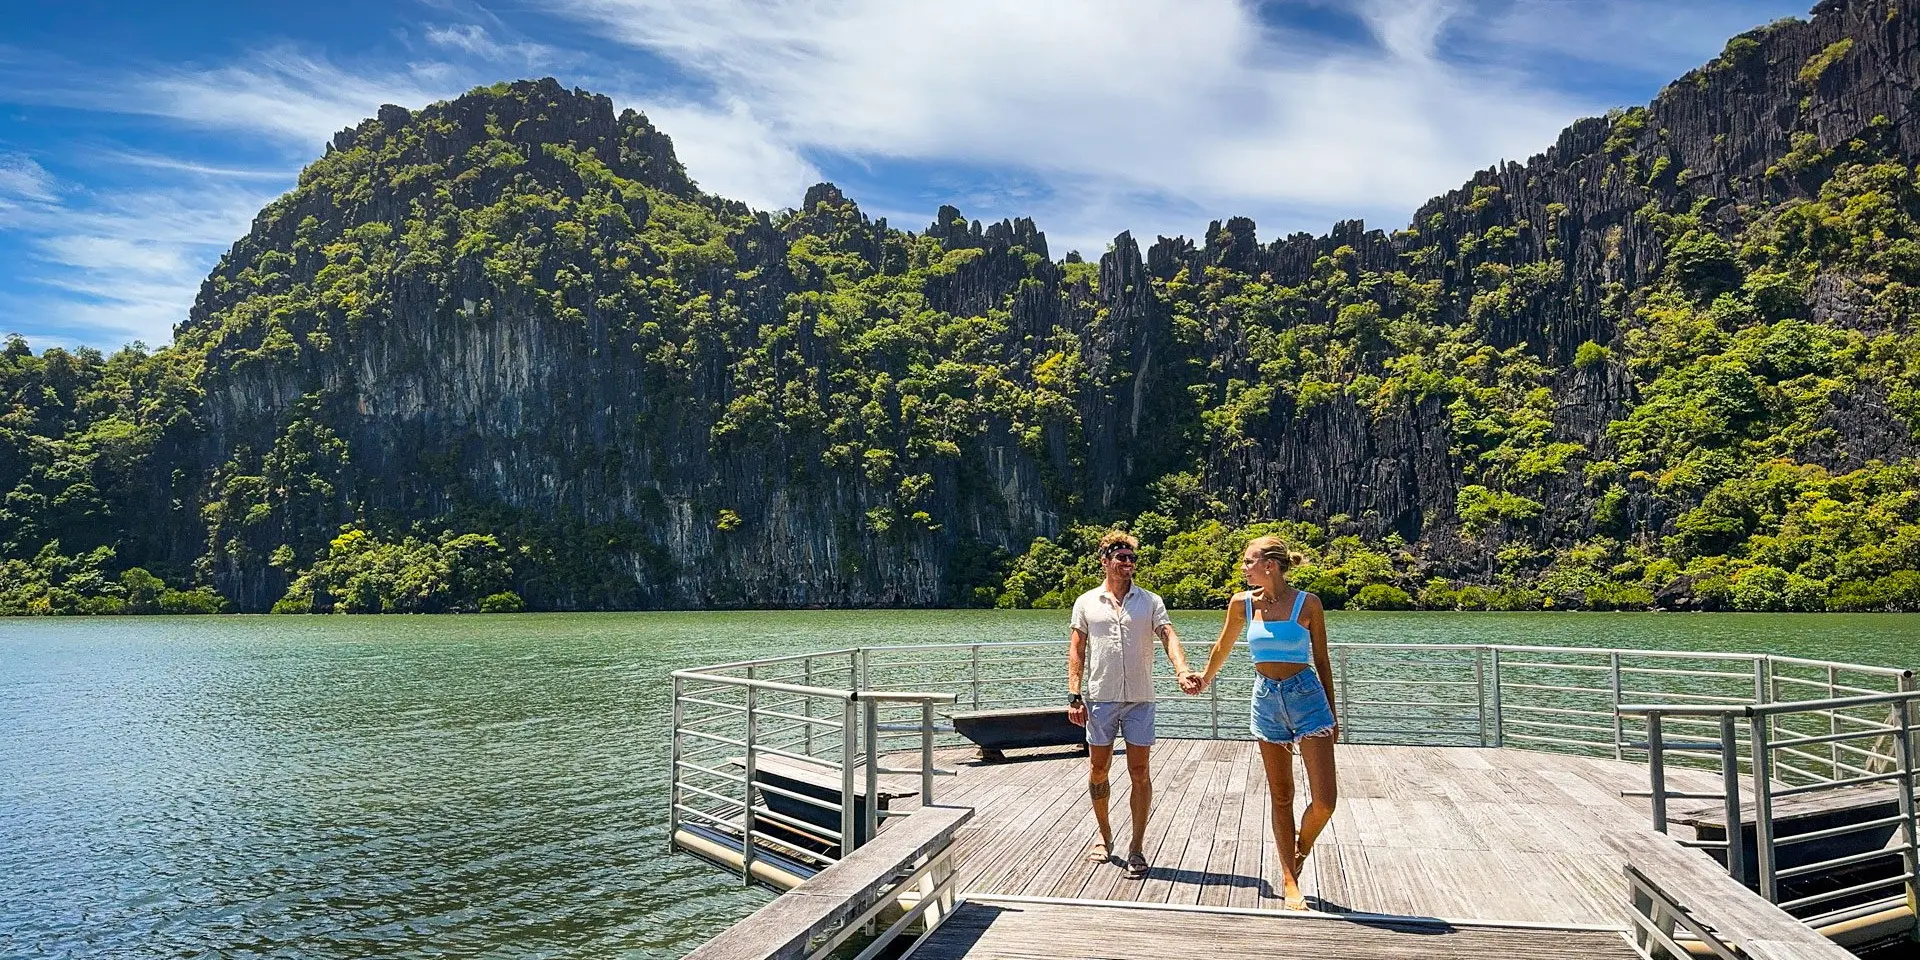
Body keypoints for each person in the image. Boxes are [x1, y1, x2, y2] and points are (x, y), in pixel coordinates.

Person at [1195, 535, 1338, 910]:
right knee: (1281, 795)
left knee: (1325, 801)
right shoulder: (1241, 604)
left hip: (1308, 698)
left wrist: (1334, 714)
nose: (1243, 568)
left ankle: (1299, 849)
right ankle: (1290, 880)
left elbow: (1322, 660)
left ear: (1270, 565)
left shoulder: (1309, 604)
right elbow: (1222, 646)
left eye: (1248, 562)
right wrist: (1204, 678)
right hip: (1266, 699)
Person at [1065, 530, 1201, 880]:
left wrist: (1182, 670)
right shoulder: (1086, 602)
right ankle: (1104, 835)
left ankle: (1137, 846)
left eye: (1132, 558)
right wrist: (1073, 693)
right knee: (1099, 769)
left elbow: (1168, 635)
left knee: (1140, 772)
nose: (1128, 563)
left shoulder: (1150, 601)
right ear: (1105, 561)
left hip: (1140, 697)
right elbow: (1077, 649)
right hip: (1100, 697)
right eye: (1121, 557)